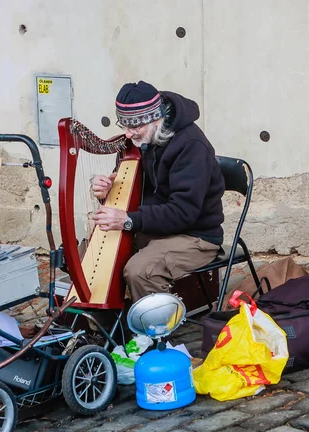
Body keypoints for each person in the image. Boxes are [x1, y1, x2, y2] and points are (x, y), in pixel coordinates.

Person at [91, 80, 225, 302]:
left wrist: (128, 220)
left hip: (195, 235)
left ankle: (158, 334)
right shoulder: (140, 141)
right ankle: (108, 324)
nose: (128, 134)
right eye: (123, 126)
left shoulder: (191, 145)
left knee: (140, 271)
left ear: (155, 119)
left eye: (135, 126)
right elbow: (131, 191)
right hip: (154, 229)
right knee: (87, 251)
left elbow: (183, 212)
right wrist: (106, 189)